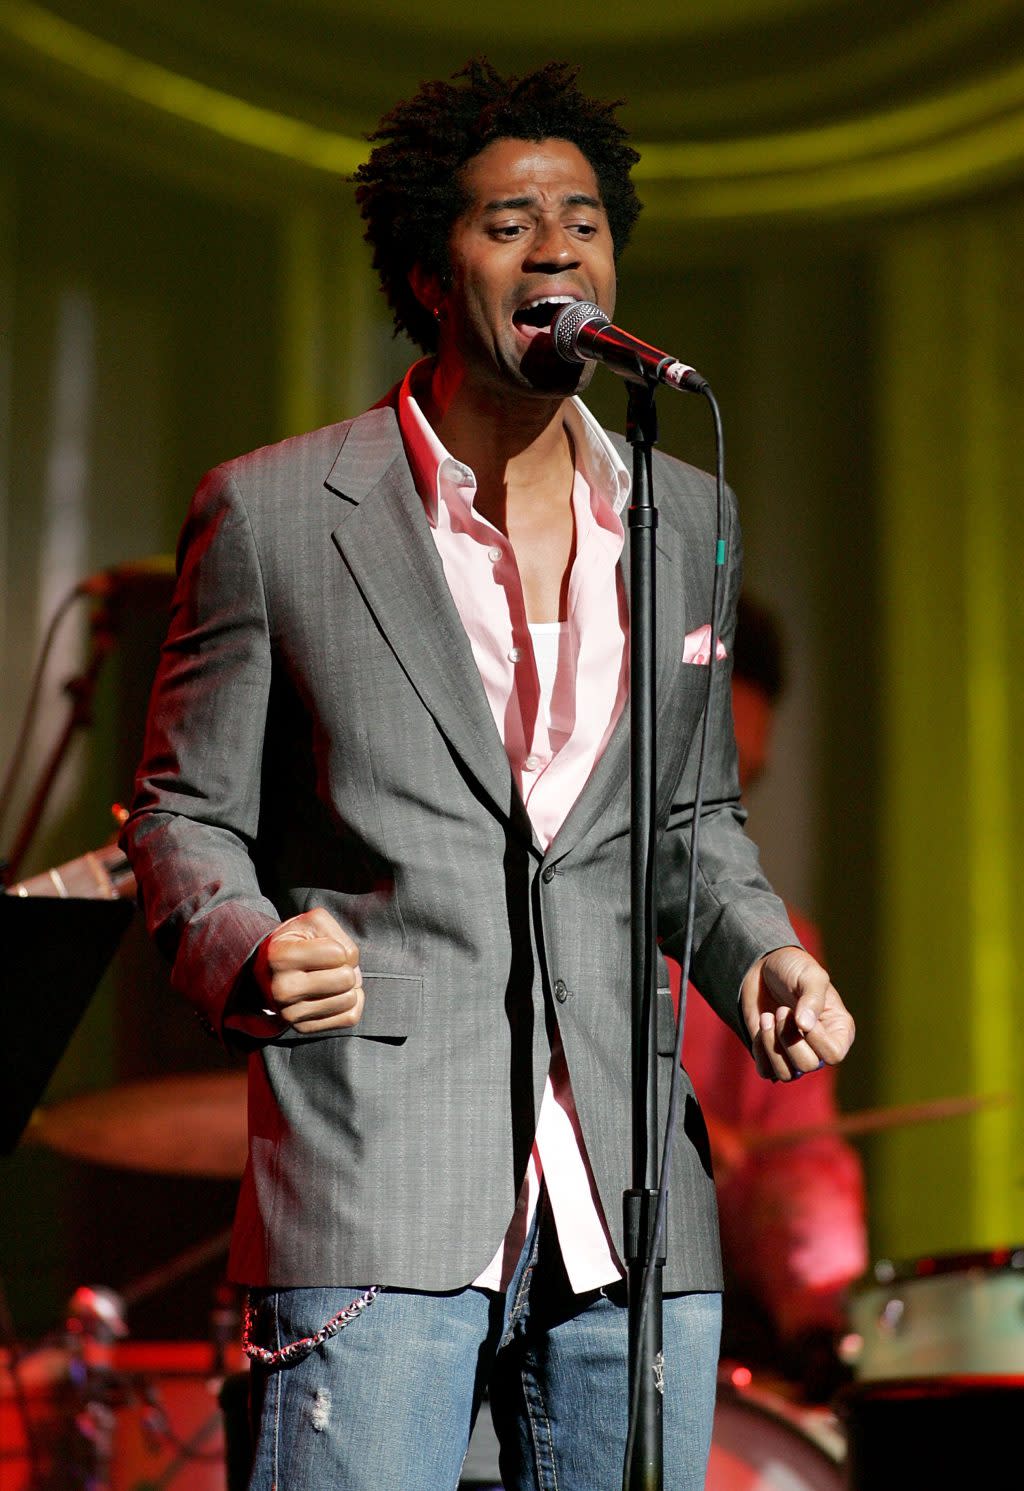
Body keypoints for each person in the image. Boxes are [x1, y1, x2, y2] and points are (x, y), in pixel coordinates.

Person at [122, 59, 855, 1491]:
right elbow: (178, 811)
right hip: (376, 1182)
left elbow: (689, 819)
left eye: (583, 218)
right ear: (424, 268)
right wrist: (249, 943)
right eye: (510, 221)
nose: (559, 249)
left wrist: (757, 950)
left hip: (630, 1208)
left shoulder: (685, 507)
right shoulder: (275, 511)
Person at [674, 594, 868, 1402]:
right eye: (705, 773)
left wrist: (822, 1311)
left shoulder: (782, 948)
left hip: (691, 1340)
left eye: (741, 784)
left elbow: (798, 1168)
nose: (726, 814)